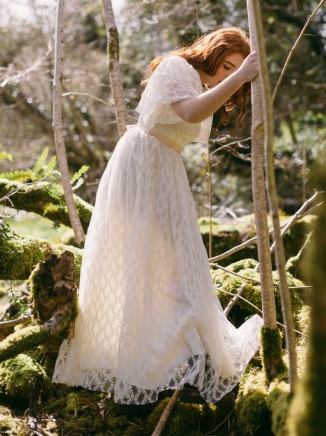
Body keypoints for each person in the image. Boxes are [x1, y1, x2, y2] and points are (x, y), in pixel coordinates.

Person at [53, 27, 263, 405]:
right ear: (212, 53)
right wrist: (241, 75)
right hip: (143, 163)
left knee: (172, 262)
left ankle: (171, 351)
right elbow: (188, 112)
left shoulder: (200, 84)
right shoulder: (177, 67)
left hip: (165, 168)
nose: (225, 73)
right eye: (225, 64)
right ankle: (141, 355)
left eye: (234, 67)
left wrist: (239, 80)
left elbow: (196, 112)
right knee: (147, 258)